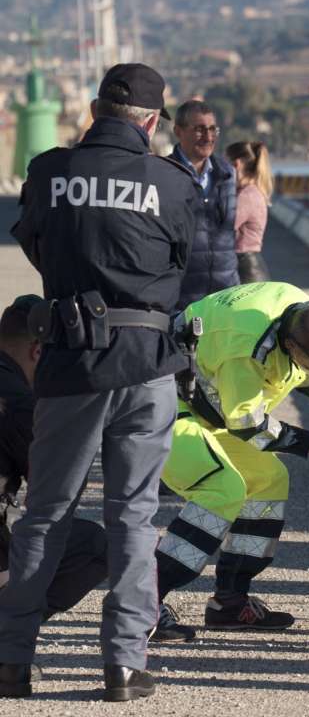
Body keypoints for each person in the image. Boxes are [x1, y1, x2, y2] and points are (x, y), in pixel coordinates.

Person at [0, 63, 197, 702]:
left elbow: (33, 243)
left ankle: (10, 660)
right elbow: (181, 260)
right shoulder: (171, 180)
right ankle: (122, 664)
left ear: (93, 108)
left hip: (70, 361)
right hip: (146, 363)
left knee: (45, 515)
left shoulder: (50, 172)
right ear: (150, 122)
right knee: (135, 517)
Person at [155, 281, 309, 633]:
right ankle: (143, 600)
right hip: (163, 403)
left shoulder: (304, 315)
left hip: (211, 407)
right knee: (221, 489)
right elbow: (247, 424)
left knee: (268, 481)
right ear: (289, 346)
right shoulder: (245, 349)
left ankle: (230, 601)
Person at [0, 295, 107, 616]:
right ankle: (7, 640)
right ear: (38, 352)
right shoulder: (19, 403)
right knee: (94, 546)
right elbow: (54, 492)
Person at [170, 100, 239, 308]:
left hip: (226, 296)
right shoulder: (164, 174)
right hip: (182, 298)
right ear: (178, 131)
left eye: (212, 129)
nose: (208, 137)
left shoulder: (228, 174)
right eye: (199, 130)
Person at [225, 141, 272, 283]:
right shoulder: (252, 191)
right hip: (248, 266)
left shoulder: (247, 195)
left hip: (245, 270)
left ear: (236, 165)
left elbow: (223, 227)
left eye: (226, 164)